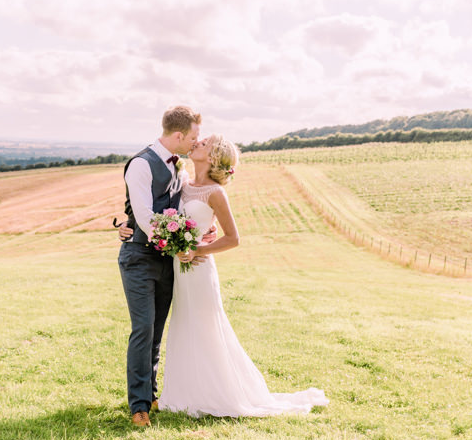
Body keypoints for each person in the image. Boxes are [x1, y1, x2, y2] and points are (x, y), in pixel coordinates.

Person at [118, 135, 329, 418]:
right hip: (178, 271)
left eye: (203, 143)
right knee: (183, 328)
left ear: (213, 156)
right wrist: (124, 224)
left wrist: (198, 249)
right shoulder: (183, 183)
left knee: (205, 328)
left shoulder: (215, 193)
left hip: (199, 271)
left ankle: (219, 392)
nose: (196, 143)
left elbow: (234, 238)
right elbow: (150, 209)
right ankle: (183, 393)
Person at [116, 105, 202, 427]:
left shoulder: (179, 167)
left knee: (156, 333)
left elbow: (180, 207)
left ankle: (151, 395)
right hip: (139, 258)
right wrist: (179, 242)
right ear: (178, 135)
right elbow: (145, 217)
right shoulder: (141, 164)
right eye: (193, 137)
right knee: (143, 329)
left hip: (168, 262)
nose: (196, 142)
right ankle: (138, 406)